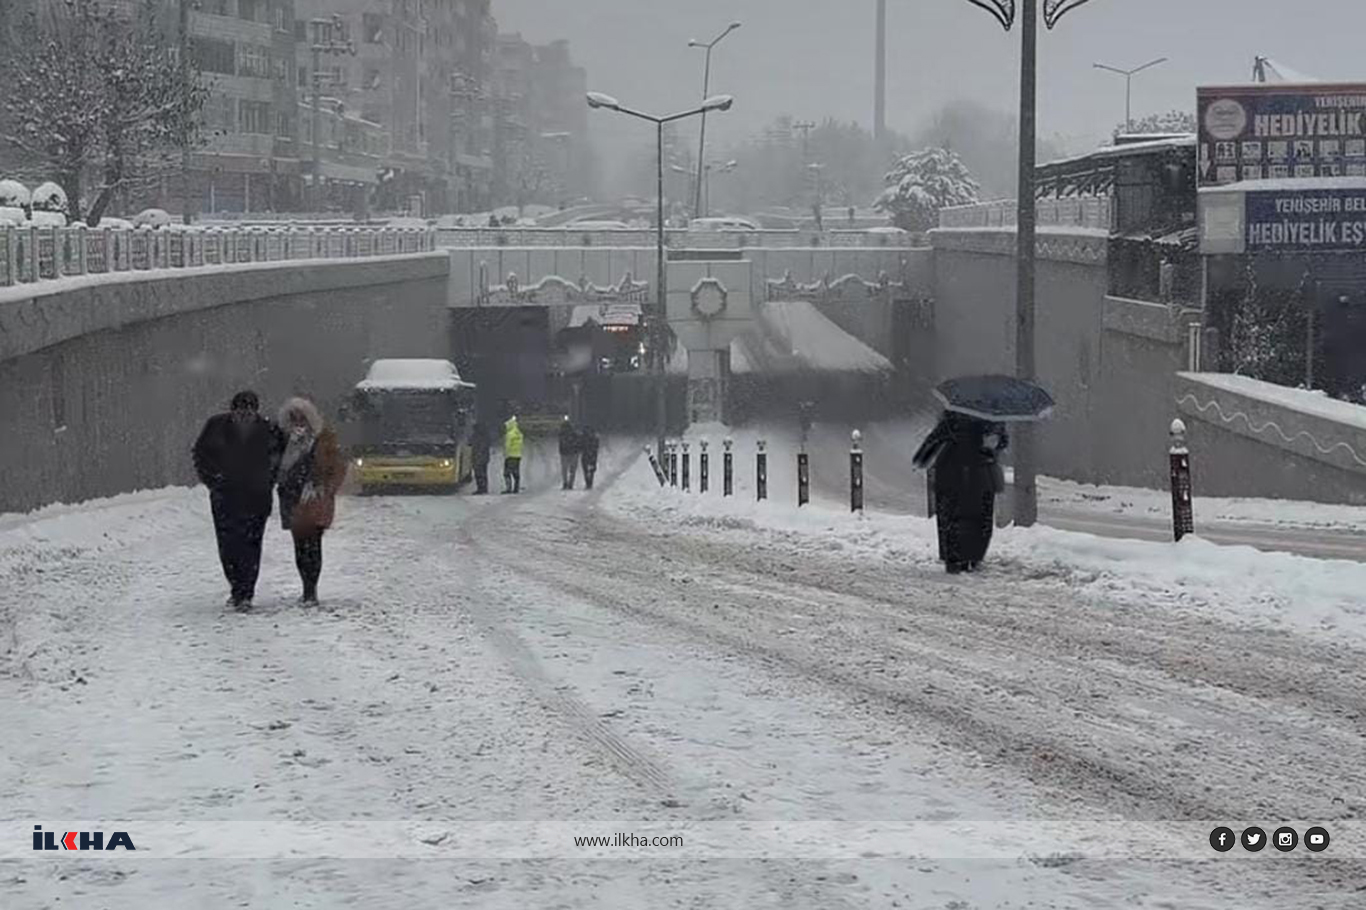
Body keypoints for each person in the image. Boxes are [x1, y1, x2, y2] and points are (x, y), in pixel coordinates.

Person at [192, 390, 285, 609]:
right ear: (232, 409)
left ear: (256, 410)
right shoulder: (216, 427)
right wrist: (214, 480)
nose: (245, 413)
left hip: (257, 497)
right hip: (225, 496)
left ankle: (246, 592)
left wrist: (267, 480)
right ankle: (236, 585)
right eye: (241, 409)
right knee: (228, 545)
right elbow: (200, 454)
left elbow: (279, 459)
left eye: (250, 409)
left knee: (251, 544)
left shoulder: (269, 429)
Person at [913, 411, 1009, 574]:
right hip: (981, 472)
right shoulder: (993, 419)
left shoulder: (953, 418)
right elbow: (1002, 442)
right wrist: (991, 449)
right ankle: (974, 556)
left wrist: (922, 458)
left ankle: (953, 558)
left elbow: (934, 440)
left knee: (951, 517)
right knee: (980, 517)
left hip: (952, 471)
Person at [276, 397, 345, 605]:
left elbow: (337, 466)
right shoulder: (282, 439)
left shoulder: (323, 438)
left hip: (316, 496)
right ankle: (306, 586)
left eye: (302, 417)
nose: (298, 422)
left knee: (313, 543)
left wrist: (326, 488)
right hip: (291, 496)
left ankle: (310, 589)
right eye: (293, 418)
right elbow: (276, 466)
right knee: (299, 545)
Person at [502, 415, 523, 493]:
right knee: (516, 473)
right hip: (517, 455)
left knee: (506, 473)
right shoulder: (519, 433)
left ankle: (508, 488)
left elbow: (507, 445)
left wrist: (505, 453)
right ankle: (516, 488)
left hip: (510, 456)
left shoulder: (510, 434)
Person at [558, 417, 580, 490]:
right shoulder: (574, 433)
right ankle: (571, 483)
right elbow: (578, 442)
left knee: (564, 469)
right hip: (573, 453)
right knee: (572, 470)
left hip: (564, 453)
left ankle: (565, 483)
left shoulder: (561, 434)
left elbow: (560, 444)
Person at [470, 421, 492, 495]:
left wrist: (477, 455)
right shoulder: (485, 435)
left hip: (478, 458)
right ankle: (484, 488)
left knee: (479, 474)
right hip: (484, 458)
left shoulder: (476, 436)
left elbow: (474, 446)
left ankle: (481, 488)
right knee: (483, 473)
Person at [579, 425, 600, 490]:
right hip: (592, 455)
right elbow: (596, 446)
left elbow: (580, 445)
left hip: (586, 454)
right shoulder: (595, 438)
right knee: (591, 470)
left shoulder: (583, 437)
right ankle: (589, 482)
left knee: (586, 469)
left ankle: (588, 482)